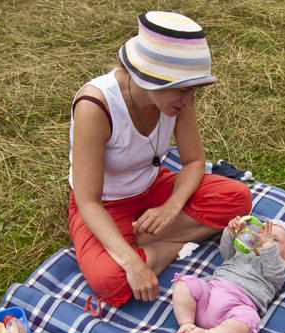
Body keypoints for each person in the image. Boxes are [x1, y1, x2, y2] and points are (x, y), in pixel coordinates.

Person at [68, 10, 253, 307]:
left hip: (154, 190)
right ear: (150, 79)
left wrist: (170, 208)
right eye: (183, 91)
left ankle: (145, 240)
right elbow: (88, 201)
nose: (189, 101)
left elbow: (193, 162)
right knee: (112, 280)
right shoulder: (95, 106)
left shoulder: (178, 99)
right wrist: (132, 263)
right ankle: (165, 242)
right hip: (105, 205)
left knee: (239, 198)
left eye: (193, 90)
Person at [172, 216, 285, 333]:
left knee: (250, 320)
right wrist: (230, 232)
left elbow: (274, 270)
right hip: (209, 294)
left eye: (274, 239)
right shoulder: (244, 253)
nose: (264, 239)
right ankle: (186, 322)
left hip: (237, 308)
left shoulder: (281, 269)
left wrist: (268, 246)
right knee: (185, 283)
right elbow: (226, 254)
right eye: (262, 235)